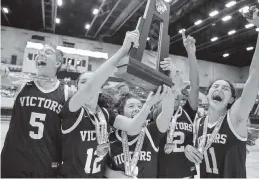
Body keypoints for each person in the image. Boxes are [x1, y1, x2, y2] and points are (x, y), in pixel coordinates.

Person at [58, 30, 167, 177]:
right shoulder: (72, 109)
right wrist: (123, 51)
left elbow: (133, 126)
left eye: (89, 81)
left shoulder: (104, 113)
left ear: (101, 89)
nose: (87, 85)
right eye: (82, 82)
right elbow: (92, 85)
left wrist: (148, 103)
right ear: (77, 88)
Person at [184, 7, 259, 178]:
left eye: (225, 88)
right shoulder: (199, 123)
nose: (219, 89)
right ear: (207, 95)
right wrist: (188, 148)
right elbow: (192, 146)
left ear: (231, 100)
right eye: (215, 86)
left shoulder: (235, 117)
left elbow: (256, 74)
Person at [1, 45, 73, 177]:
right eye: (38, 53)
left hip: (47, 161)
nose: (40, 54)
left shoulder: (68, 92)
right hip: (15, 159)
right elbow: (3, 78)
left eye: (47, 52)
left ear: (57, 62)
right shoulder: (22, 83)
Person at [105, 85, 175, 178]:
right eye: (131, 106)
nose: (136, 109)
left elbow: (166, 114)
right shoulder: (111, 138)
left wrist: (169, 93)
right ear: (121, 112)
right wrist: (112, 174)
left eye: (139, 106)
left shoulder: (152, 131)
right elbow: (101, 166)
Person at [157, 30, 200, 178]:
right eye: (170, 86)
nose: (174, 90)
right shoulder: (154, 112)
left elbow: (195, 86)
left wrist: (191, 53)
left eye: (177, 85)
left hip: (186, 175)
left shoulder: (188, 111)